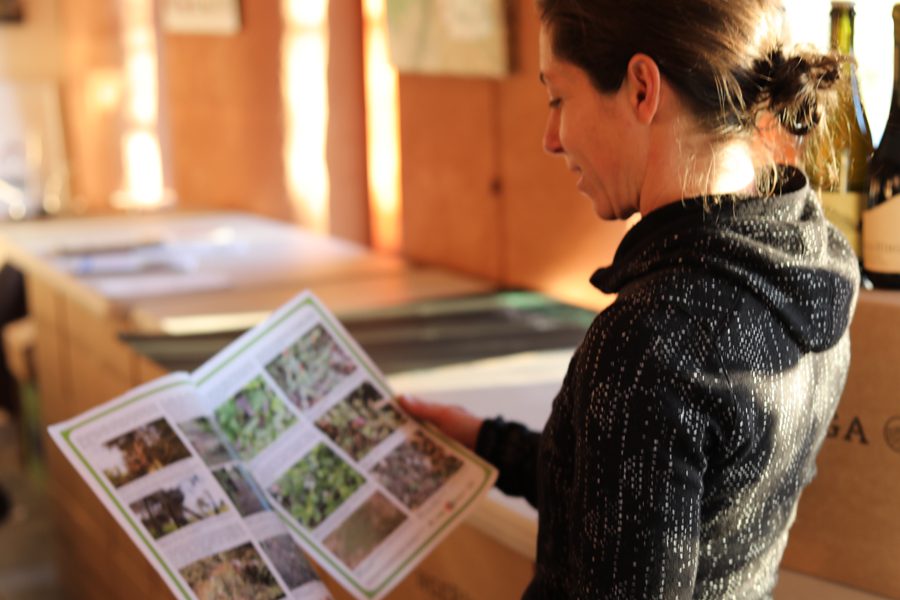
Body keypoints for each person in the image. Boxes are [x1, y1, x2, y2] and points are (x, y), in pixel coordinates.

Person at [400, 0, 859, 598]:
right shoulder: (805, 264)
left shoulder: (651, 341)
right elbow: (654, 495)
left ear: (642, 88)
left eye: (558, 98)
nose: (549, 138)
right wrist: (487, 443)